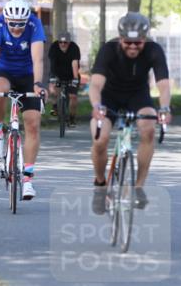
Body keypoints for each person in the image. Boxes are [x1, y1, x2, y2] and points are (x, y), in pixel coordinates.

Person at [88, 12, 171, 212]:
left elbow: (164, 85)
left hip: (137, 95)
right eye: (128, 42)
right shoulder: (108, 49)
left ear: (145, 39)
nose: (133, 47)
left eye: (138, 43)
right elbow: (96, 84)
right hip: (109, 98)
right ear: (120, 38)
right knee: (100, 140)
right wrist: (97, 106)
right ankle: (100, 183)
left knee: (149, 128)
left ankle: (138, 188)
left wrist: (165, 107)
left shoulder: (154, 50)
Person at [0, 0, 46, 200]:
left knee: (32, 123)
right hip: (5, 71)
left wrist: (38, 84)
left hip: (28, 74)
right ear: (6, 19)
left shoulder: (34, 24)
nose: (17, 29)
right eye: (13, 24)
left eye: (21, 25)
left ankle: (28, 179)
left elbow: (38, 58)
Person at [48, 30, 81, 126]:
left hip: (71, 75)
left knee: (73, 97)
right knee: (53, 90)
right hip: (57, 73)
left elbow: (74, 63)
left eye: (65, 42)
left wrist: (75, 78)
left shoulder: (74, 48)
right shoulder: (54, 47)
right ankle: (54, 107)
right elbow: (52, 63)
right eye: (60, 42)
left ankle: (72, 118)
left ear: (69, 42)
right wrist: (53, 77)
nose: (62, 44)